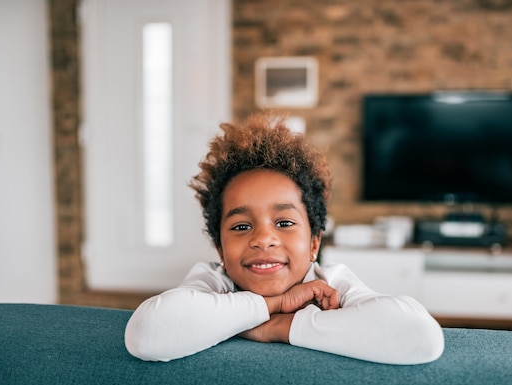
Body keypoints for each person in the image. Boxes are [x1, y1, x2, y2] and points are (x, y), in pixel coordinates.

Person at [125, 113, 444, 365]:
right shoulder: (214, 279)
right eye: (240, 227)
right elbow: (148, 334)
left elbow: (420, 336)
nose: (264, 238)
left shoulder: (330, 281)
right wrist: (274, 305)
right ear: (220, 249)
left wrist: (278, 327)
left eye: (285, 222)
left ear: (315, 244)